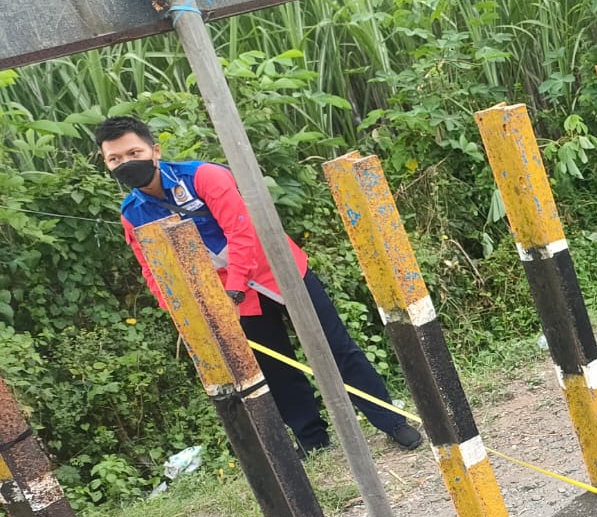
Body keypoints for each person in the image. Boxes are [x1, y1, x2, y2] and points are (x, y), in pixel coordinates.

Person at [98, 115, 423, 454]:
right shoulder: (132, 213)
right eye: (115, 159)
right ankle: (312, 441)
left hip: (278, 272)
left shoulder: (204, 177)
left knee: (335, 347)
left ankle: (392, 422)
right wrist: (183, 316)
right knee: (276, 368)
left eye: (134, 153)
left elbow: (242, 232)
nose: (126, 163)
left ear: (155, 150)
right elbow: (155, 272)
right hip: (231, 296)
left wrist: (234, 291)